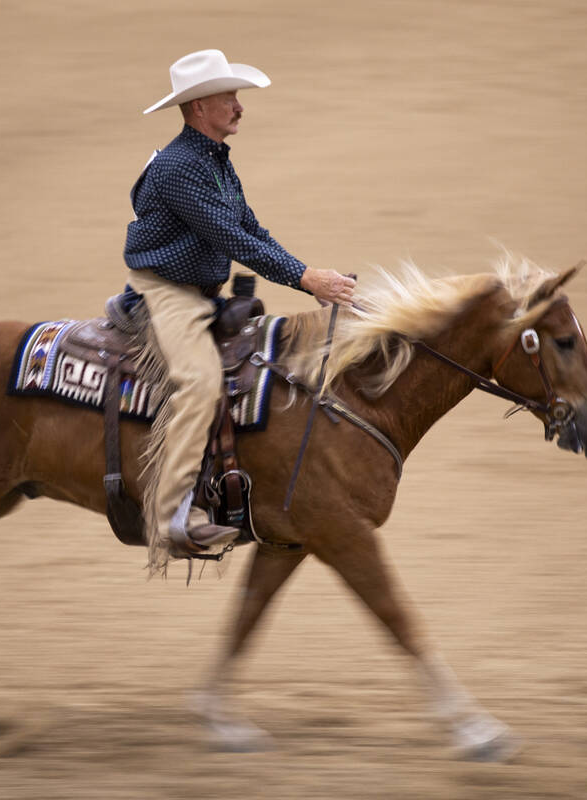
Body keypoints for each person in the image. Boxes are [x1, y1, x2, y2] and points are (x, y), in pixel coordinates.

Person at [124, 49, 355, 567]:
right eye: (229, 97)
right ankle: (171, 517)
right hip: (167, 294)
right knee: (201, 382)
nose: (238, 105)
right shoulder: (180, 168)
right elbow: (231, 238)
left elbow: (252, 229)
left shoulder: (214, 162)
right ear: (199, 106)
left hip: (201, 292)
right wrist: (304, 277)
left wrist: (310, 278)